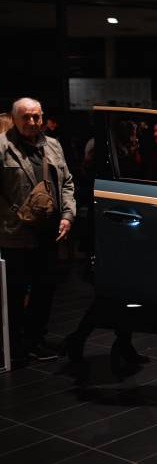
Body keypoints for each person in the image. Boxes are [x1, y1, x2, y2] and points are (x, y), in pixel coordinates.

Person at [0, 97, 76, 364]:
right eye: (26, 117)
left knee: (45, 289)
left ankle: (35, 340)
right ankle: (15, 346)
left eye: (36, 117)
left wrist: (67, 216)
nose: (32, 122)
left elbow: (67, 182)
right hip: (15, 234)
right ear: (15, 118)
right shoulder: (2, 147)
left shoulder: (53, 145)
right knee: (16, 291)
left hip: (49, 233)